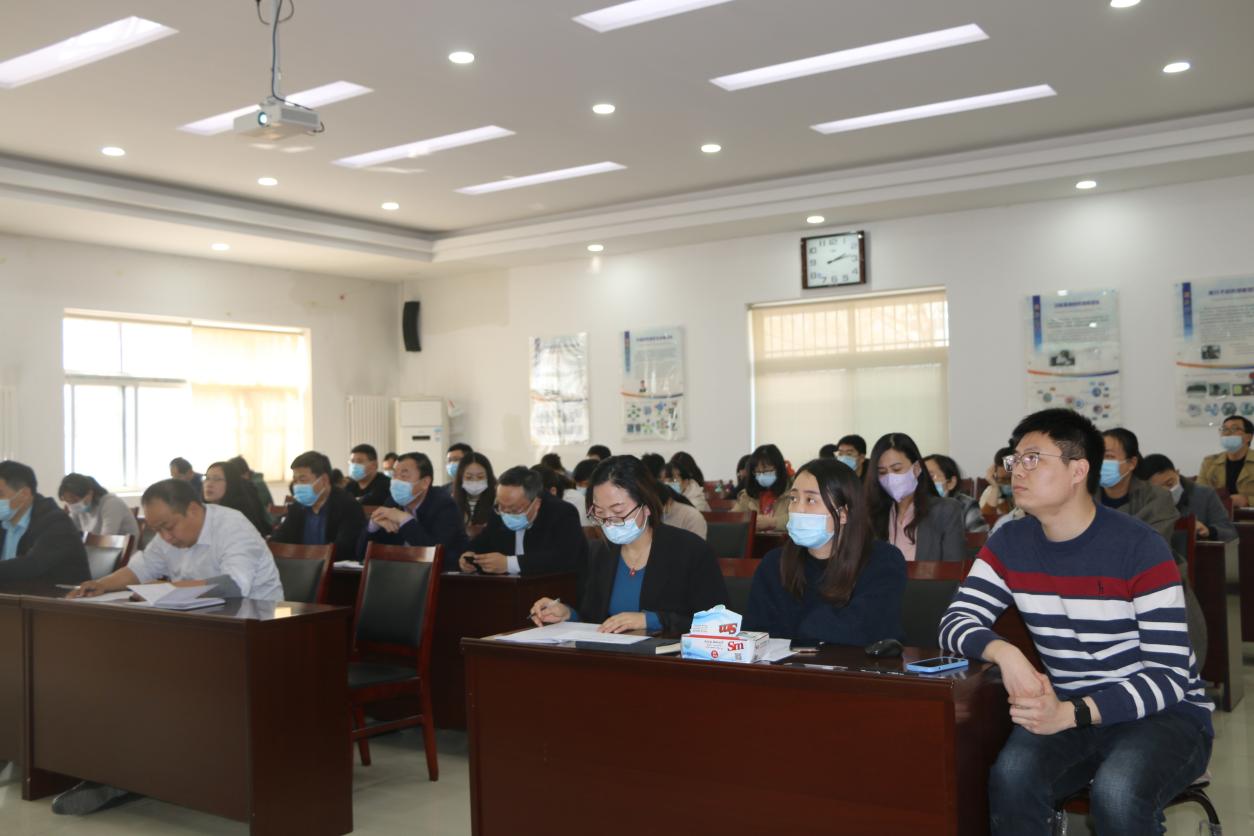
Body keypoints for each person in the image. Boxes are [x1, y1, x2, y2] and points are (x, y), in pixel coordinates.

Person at [939, 408, 1213, 836]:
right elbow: (955, 620)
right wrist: (1005, 653)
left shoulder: (1140, 548)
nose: (1017, 471)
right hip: (1068, 705)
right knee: (1011, 778)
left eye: (1033, 458)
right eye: (1015, 459)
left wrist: (1071, 713)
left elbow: (1169, 677)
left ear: (1078, 470)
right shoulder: (1010, 541)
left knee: (1118, 792)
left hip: (1164, 714)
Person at [59, 477, 284, 816]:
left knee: (157, 681)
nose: (164, 536)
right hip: (199, 631)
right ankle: (120, 773)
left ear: (193, 510)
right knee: (118, 672)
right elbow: (142, 568)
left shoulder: (232, 526)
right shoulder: (168, 533)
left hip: (259, 634)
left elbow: (234, 584)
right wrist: (101, 584)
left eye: (168, 527)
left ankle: (150, 774)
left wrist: (172, 589)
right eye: (157, 529)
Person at [529, 456, 726, 635]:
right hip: (611, 658)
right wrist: (567, 614)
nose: (609, 521)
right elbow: (594, 620)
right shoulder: (600, 552)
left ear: (646, 505)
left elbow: (719, 624)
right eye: (600, 513)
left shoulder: (690, 551)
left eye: (618, 511)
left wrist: (651, 620)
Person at [743, 458, 905, 643]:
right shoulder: (775, 563)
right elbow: (755, 631)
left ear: (843, 513)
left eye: (811, 500)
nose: (798, 509)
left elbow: (862, 627)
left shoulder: (882, 560)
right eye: (793, 499)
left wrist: (803, 629)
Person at [460, 466, 587, 576]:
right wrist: (469, 555)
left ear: (536, 503)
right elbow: (484, 541)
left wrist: (509, 564)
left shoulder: (562, 513)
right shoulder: (500, 510)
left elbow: (563, 558)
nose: (506, 513)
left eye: (514, 509)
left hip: (555, 588)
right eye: (502, 507)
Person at [866, 433, 965, 561]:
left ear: (917, 468)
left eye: (897, 469)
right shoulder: (872, 513)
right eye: (882, 472)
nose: (890, 478)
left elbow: (954, 567)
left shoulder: (945, 510)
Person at [360, 452, 468, 569]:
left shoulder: (444, 505)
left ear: (425, 482)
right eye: (394, 475)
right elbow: (360, 554)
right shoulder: (392, 502)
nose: (396, 481)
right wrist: (373, 525)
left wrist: (404, 519)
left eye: (404, 476)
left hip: (440, 576)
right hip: (398, 572)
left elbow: (437, 555)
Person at [0, 460, 89, 585]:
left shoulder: (56, 522)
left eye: (0, 494)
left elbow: (32, 565)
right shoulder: (4, 521)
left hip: (58, 595)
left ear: (24, 494)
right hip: (15, 593)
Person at [273, 451, 366, 563]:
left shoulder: (349, 506)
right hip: (299, 567)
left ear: (324, 480)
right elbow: (279, 540)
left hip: (334, 570)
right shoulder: (297, 507)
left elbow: (344, 549)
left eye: (302, 480)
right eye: (295, 481)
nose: (297, 486)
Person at [1099, 428, 1178, 544]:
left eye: (1109, 456)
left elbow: (1152, 544)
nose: (1100, 462)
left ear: (1132, 463)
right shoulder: (1083, 496)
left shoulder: (1158, 497)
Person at [1138, 453, 1236, 542]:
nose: (1167, 492)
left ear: (1177, 473)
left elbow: (1230, 533)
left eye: (1170, 484)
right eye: (1159, 489)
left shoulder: (1205, 494)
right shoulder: (1141, 502)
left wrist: (1209, 531)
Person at [57, 473, 140, 539]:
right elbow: (70, 535)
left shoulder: (111, 503)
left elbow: (106, 539)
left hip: (122, 552)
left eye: (75, 500)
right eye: (69, 502)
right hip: (97, 550)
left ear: (89, 493)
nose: (73, 505)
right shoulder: (78, 509)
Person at [203, 460, 271, 538]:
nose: (209, 484)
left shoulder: (239, 516)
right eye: (207, 478)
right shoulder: (201, 511)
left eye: (217, 479)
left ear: (231, 483)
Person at [1196, 415, 1254, 507]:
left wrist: (1247, 501)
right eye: (1224, 429)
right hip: (1217, 514)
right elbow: (1198, 495)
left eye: (1234, 429)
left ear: (1248, 437)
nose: (1227, 433)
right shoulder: (1209, 462)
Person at [923, 454, 987, 533]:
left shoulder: (966, 505)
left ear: (951, 483)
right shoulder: (914, 506)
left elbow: (979, 536)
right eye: (920, 477)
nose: (924, 482)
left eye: (931, 476)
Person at [732, 445, 790, 530]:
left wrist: (773, 522)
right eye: (758, 472)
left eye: (767, 471)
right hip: (753, 538)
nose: (762, 476)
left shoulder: (792, 494)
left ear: (779, 469)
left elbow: (799, 520)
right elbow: (733, 518)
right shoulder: (747, 496)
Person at [451, 452, 496, 530]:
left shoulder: (497, 501)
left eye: (480, 477)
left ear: (488, 477)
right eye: (468, 477)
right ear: (460, 478)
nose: (475, 481)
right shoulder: (451, 502)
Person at [228, 455, 274, 526]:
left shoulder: (256, 484)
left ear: (245, 473)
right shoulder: (253, 481)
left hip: (265, 522)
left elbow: (257, 509)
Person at [979, 447, 1016, 518]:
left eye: (1009, 479)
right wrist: (995, 488)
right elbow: (985, 520)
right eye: (1002, 479)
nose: (1006, 483)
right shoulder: (991, 491)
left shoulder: (1027, 491)